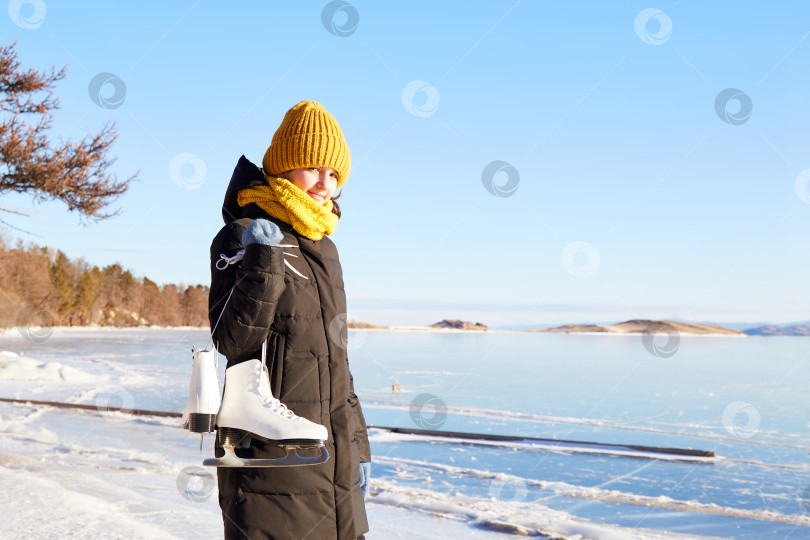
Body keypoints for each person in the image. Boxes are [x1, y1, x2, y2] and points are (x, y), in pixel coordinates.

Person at [208, 100, 371, 539]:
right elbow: (231, 341)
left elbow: (338, 362)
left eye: (335, 175)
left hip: (333, 460)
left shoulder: (325, 248)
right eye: (314, 168)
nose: (325, 184)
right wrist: (263, 262)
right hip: (271, 459)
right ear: (285, 166)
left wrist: (359, 449)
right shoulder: (242, 232)